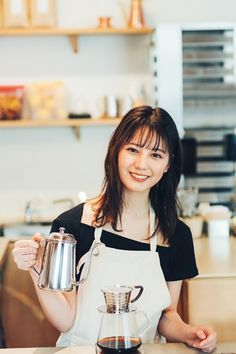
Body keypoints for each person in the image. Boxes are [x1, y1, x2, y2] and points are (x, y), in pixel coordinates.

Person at [12, 106, 216, 351]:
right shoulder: (74, 225)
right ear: (116, 151)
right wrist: (37, 269)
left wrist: (188, 332)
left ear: (168, 164)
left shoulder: (175, 235)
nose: (142, 164)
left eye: (156, 155)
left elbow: (166, 315)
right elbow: (66, 319)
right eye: (133, 150)